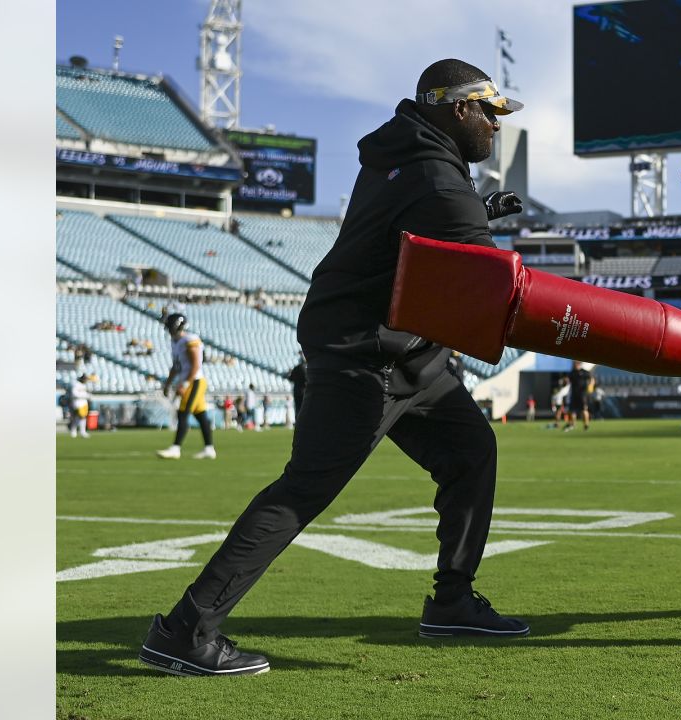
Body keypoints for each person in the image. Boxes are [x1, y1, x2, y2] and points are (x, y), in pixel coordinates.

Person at [139, 59, 529, 677]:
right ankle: (186, 630)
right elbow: (497, 292)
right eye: (489, 111)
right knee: (304, 490)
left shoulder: (408, 158)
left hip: (404, 353)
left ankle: (453, 600)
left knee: (472, 450)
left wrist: (474, 210)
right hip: (364, 354)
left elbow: (413, 232)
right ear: (457, 108)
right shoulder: (439, 181)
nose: (495, 125)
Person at [156, 314, 217, 460]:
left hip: (194, 381)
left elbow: (196, 364)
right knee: (201, 415)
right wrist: (168, 384)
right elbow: (176, 367)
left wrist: (184, 384)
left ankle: (176, 448)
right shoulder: (176, 342)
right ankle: (209, 448)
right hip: (189, 380)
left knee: (183, 413)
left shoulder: (190, 340)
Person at [563, 360, 593, 432]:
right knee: (572, 411)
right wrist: (565, 380)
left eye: (575, 363)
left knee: (584, 410)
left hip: (582, 395)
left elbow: (591, 379)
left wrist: (590, 386)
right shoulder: (572, 373)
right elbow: (567, 380)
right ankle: (573, 424)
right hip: (574, 395)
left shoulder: (585, 372)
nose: (574, 364)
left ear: (579, 363)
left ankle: (586, 425)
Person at [287, 352, 307, 424]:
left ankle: (298, 422)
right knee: (304, 408)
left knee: (297, 408)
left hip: (296, 391)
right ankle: (304, 422)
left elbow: (290, 379)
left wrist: (289, 373)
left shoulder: (295, 368)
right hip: (304, 391)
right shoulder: (305, 368)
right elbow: (307, 379)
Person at [68, 373, 91, 439]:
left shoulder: (84, 385)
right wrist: (85, 396)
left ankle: (81, 431)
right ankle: (75, 431)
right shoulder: (76, 384)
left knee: (82, 417)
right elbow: (74, 394)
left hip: (84, 403)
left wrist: (88, 396)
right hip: (78, 403)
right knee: (78, 417)